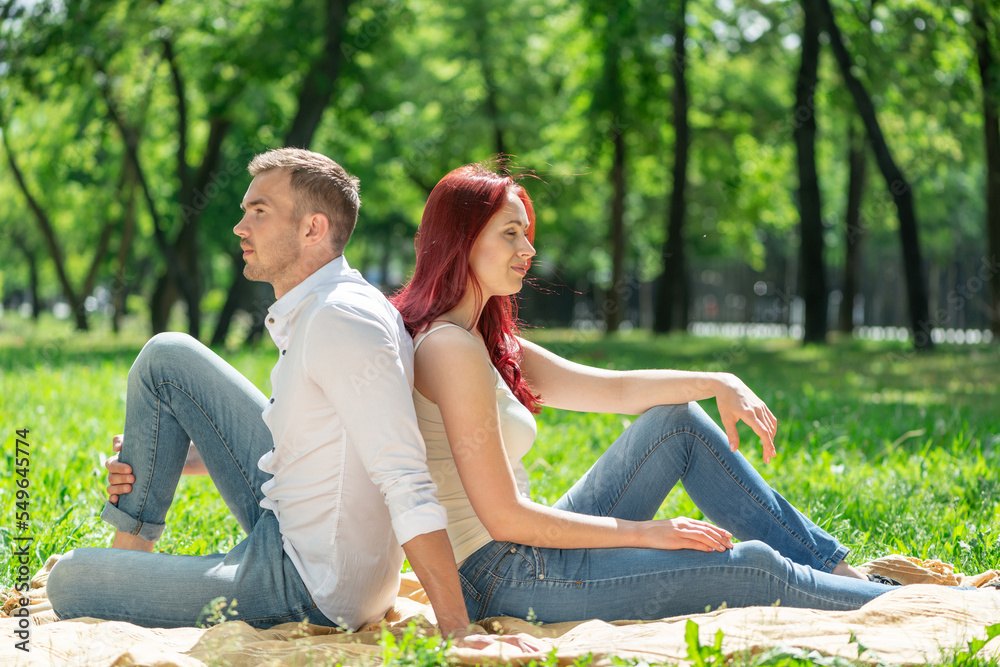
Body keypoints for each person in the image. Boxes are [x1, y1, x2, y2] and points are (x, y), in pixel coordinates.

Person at [389, 161, 901, 624]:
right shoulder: (449, 349)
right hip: (502, 576)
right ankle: (905, 607)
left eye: (526, 233)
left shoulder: (483, 339)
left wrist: (717, 382)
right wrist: (648, 533)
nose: (529, 249)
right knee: (758, 569)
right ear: (462, 239)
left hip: (529, 550)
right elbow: (504, 517)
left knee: (676, 421)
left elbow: (615, 389)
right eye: (511, 234)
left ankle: (845, 576)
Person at [46, 149, 481, 637]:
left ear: (313, 229)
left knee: (70, 580)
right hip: (292, 527)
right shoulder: (329, 303)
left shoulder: (341, 320)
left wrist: (457, 626)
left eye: (259, 212)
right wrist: (180, 457)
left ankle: (121, 569)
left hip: (308, 585)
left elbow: (404, 475)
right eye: (243, 211)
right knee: (167, 357)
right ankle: (130, 558)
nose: (240, 227)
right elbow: (314, 447)